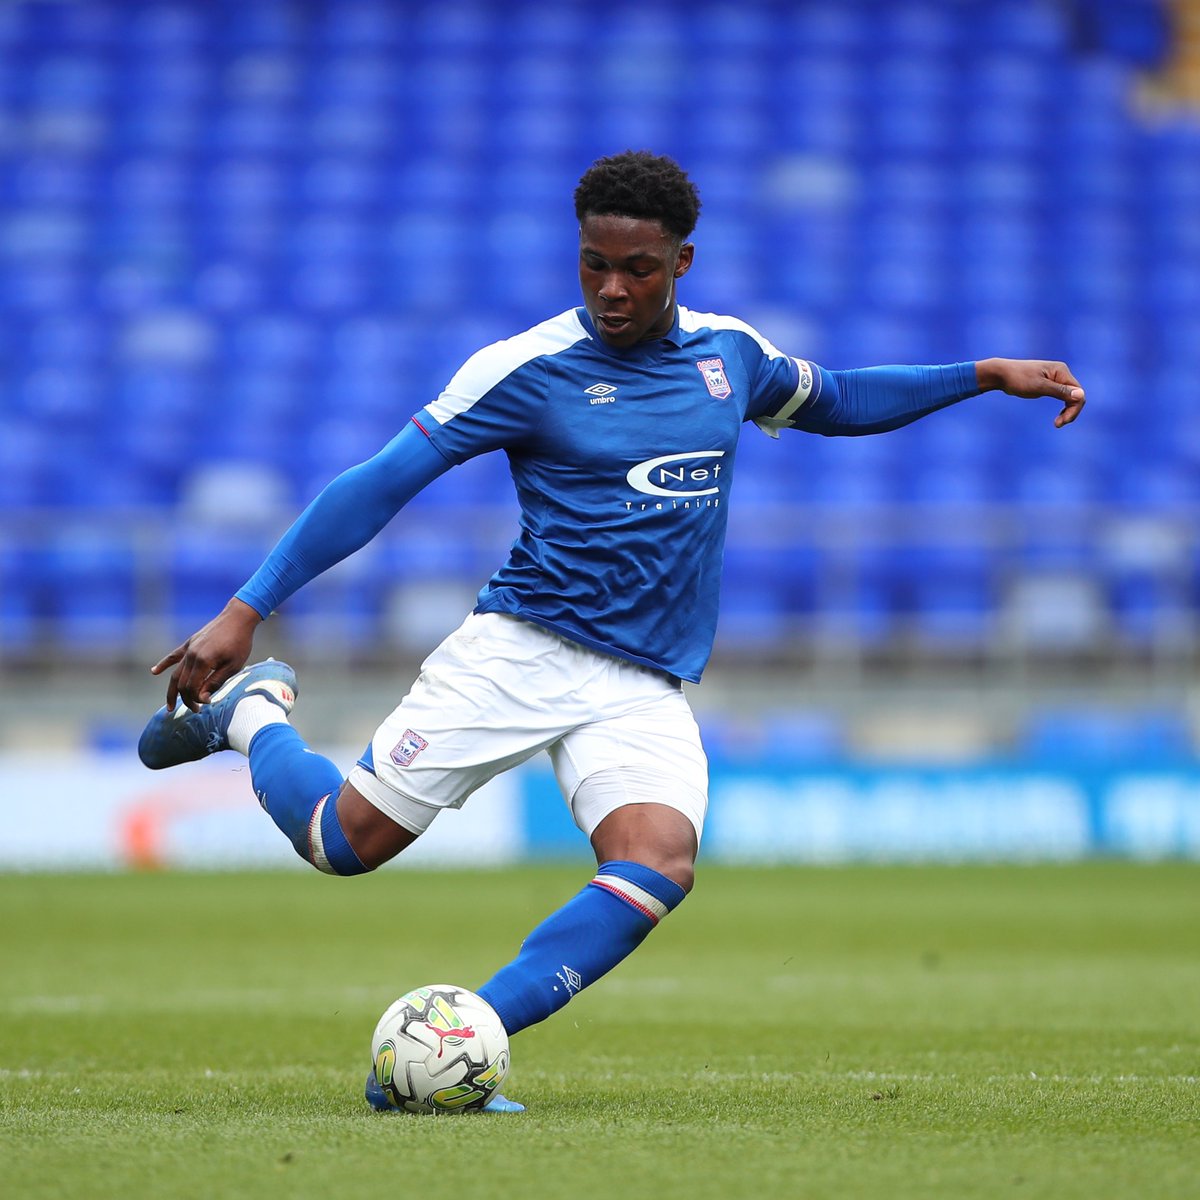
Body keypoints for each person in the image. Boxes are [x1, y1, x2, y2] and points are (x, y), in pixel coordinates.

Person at [138, 150, 1086, 1113]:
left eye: (638, 267)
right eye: (594, 263)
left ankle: (468, 1044)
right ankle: (255, 718)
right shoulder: (528, 367)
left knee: (657, 864)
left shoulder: (731, 356)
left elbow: (837, 400)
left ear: (682, 261)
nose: (612, 288)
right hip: (522, 650)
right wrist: (246, 608)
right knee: (343, 845)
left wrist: (984, 374)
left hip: (643, 683)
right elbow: (380, 483)